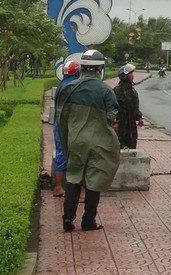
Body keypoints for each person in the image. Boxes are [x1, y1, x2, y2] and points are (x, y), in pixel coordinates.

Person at [56, 49, 121, 232]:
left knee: (74, 178)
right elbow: (112, 116)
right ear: (100, 68)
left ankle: (68, 220)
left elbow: (61, 117)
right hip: (99, 142)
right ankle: (88, 222)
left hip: (75, 140)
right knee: (94, 181)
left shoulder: (68, 88)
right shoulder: (106, 91)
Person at [52, 59, 80, 197]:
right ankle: (60, 188)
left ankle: (58, 186)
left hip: (58, 123)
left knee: (60, 153)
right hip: (67, 125)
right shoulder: (73, 86)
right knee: (71, 155)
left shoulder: (61, 85)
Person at [114, 63, 143, 149]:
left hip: (131, 124)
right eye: (130, 74)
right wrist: (115, 122)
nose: (132, 76)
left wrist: (139, 117)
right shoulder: (117, 90)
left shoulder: (132, 90)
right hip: (121, 124)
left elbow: (135, 106)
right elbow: (113, 107)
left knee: (131, 146)